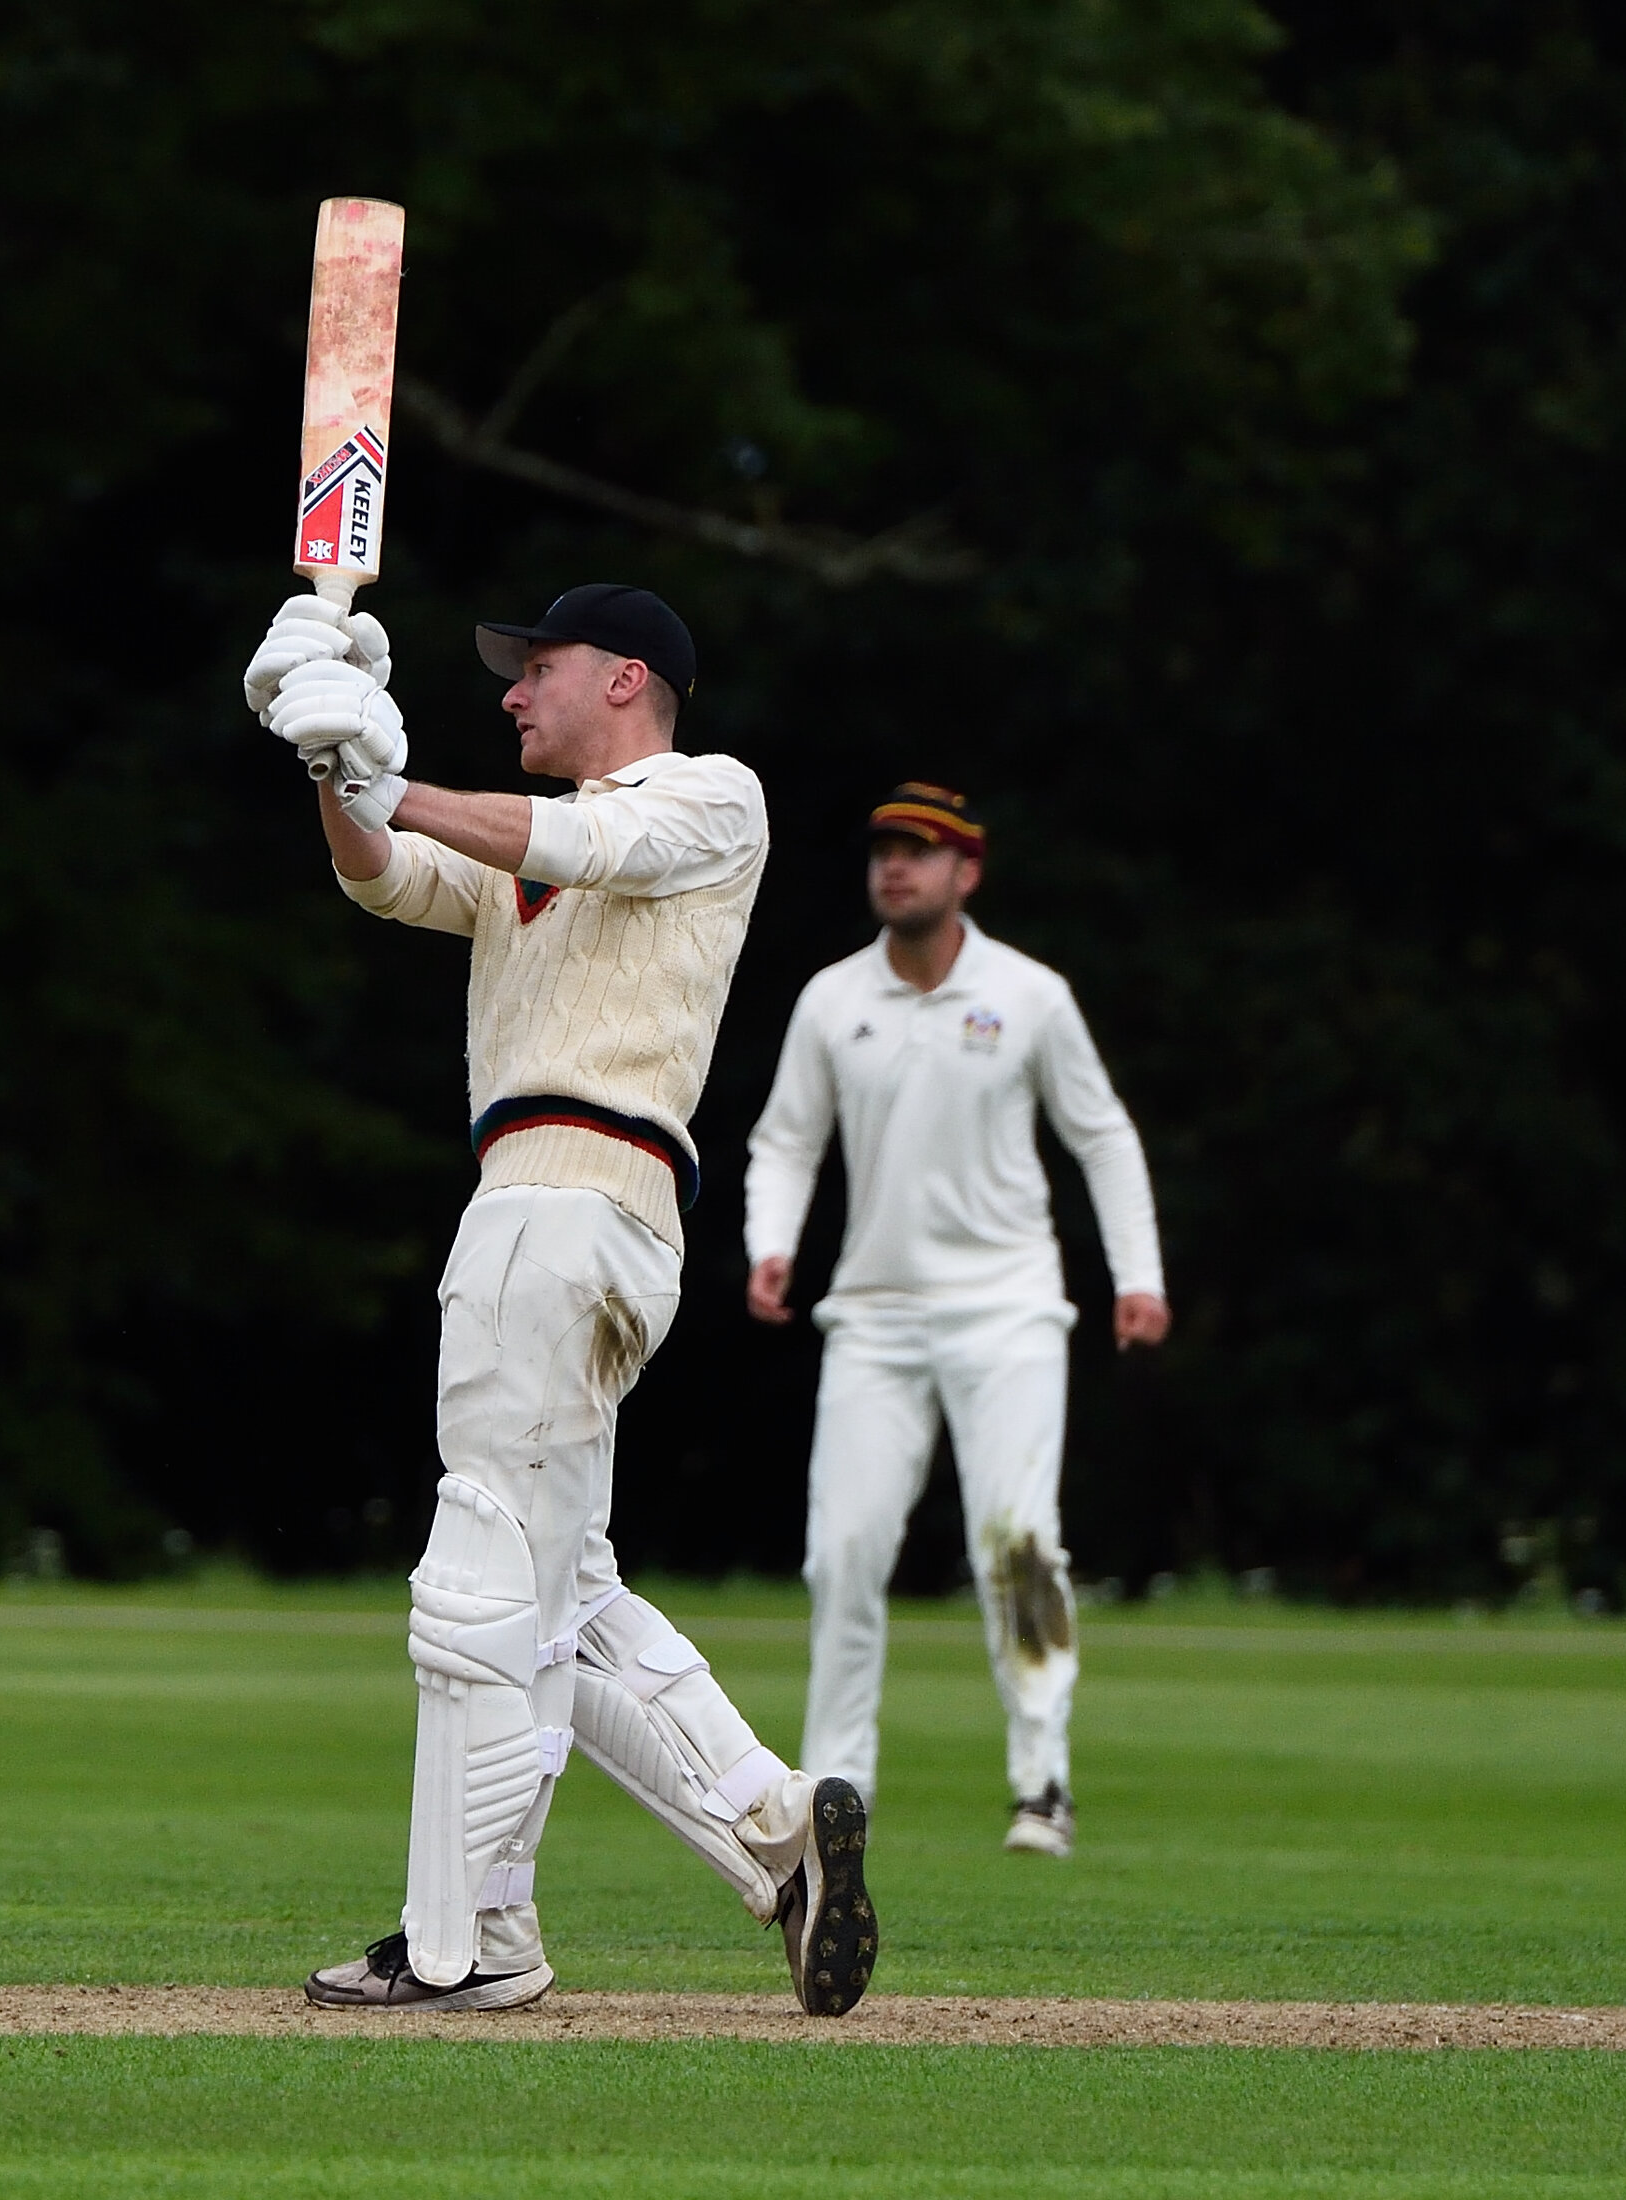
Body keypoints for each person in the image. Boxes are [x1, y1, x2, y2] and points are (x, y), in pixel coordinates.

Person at [242, 582, 876, 2014]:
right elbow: (385, 876)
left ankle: (471, 1941)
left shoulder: (709, 798)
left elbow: (577, 843)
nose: (516, 690)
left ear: (629, 678)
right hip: (564, 1215)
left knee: (478, 1578)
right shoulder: (520, 850)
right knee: (557, 1589)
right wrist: (331, 772)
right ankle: (781, 1834)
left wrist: (391, 770)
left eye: (543, 668)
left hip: (570, 1200)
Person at [743, 783, 1169, 1857]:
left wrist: (1138, 1275)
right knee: (841, 1551)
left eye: (921, 852)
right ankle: (838, 1787)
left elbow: (1103, 1136)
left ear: (965, 872)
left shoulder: (1027, 996)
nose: (897, 868)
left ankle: (1042, 1781)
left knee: (1018, 1548)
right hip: (874, 1316)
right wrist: (772, 1244)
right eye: (885, 848)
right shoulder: (833, 999)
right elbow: (786, 1139)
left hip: (1009, 1309)